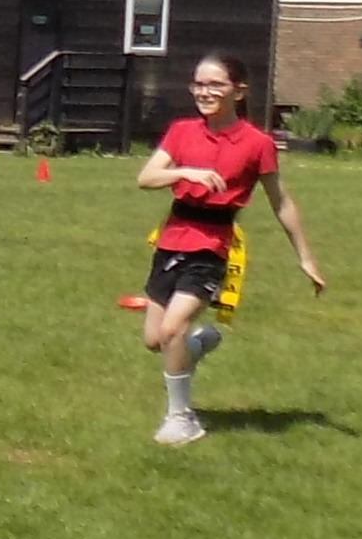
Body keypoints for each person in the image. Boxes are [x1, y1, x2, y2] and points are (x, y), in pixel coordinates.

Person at [134, 56, 326, 446]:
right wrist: (184, 172)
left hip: (212, 246)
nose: (204, 92)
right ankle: (197, 345)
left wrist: (305, 257)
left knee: (172, 329)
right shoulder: (181, 131)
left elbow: (281, 202)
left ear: (238, 92)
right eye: (199, 84)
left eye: (215, 84)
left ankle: (182, 418)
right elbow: (146, 178)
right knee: (155, 339)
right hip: (171, 241)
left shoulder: (258, 144)